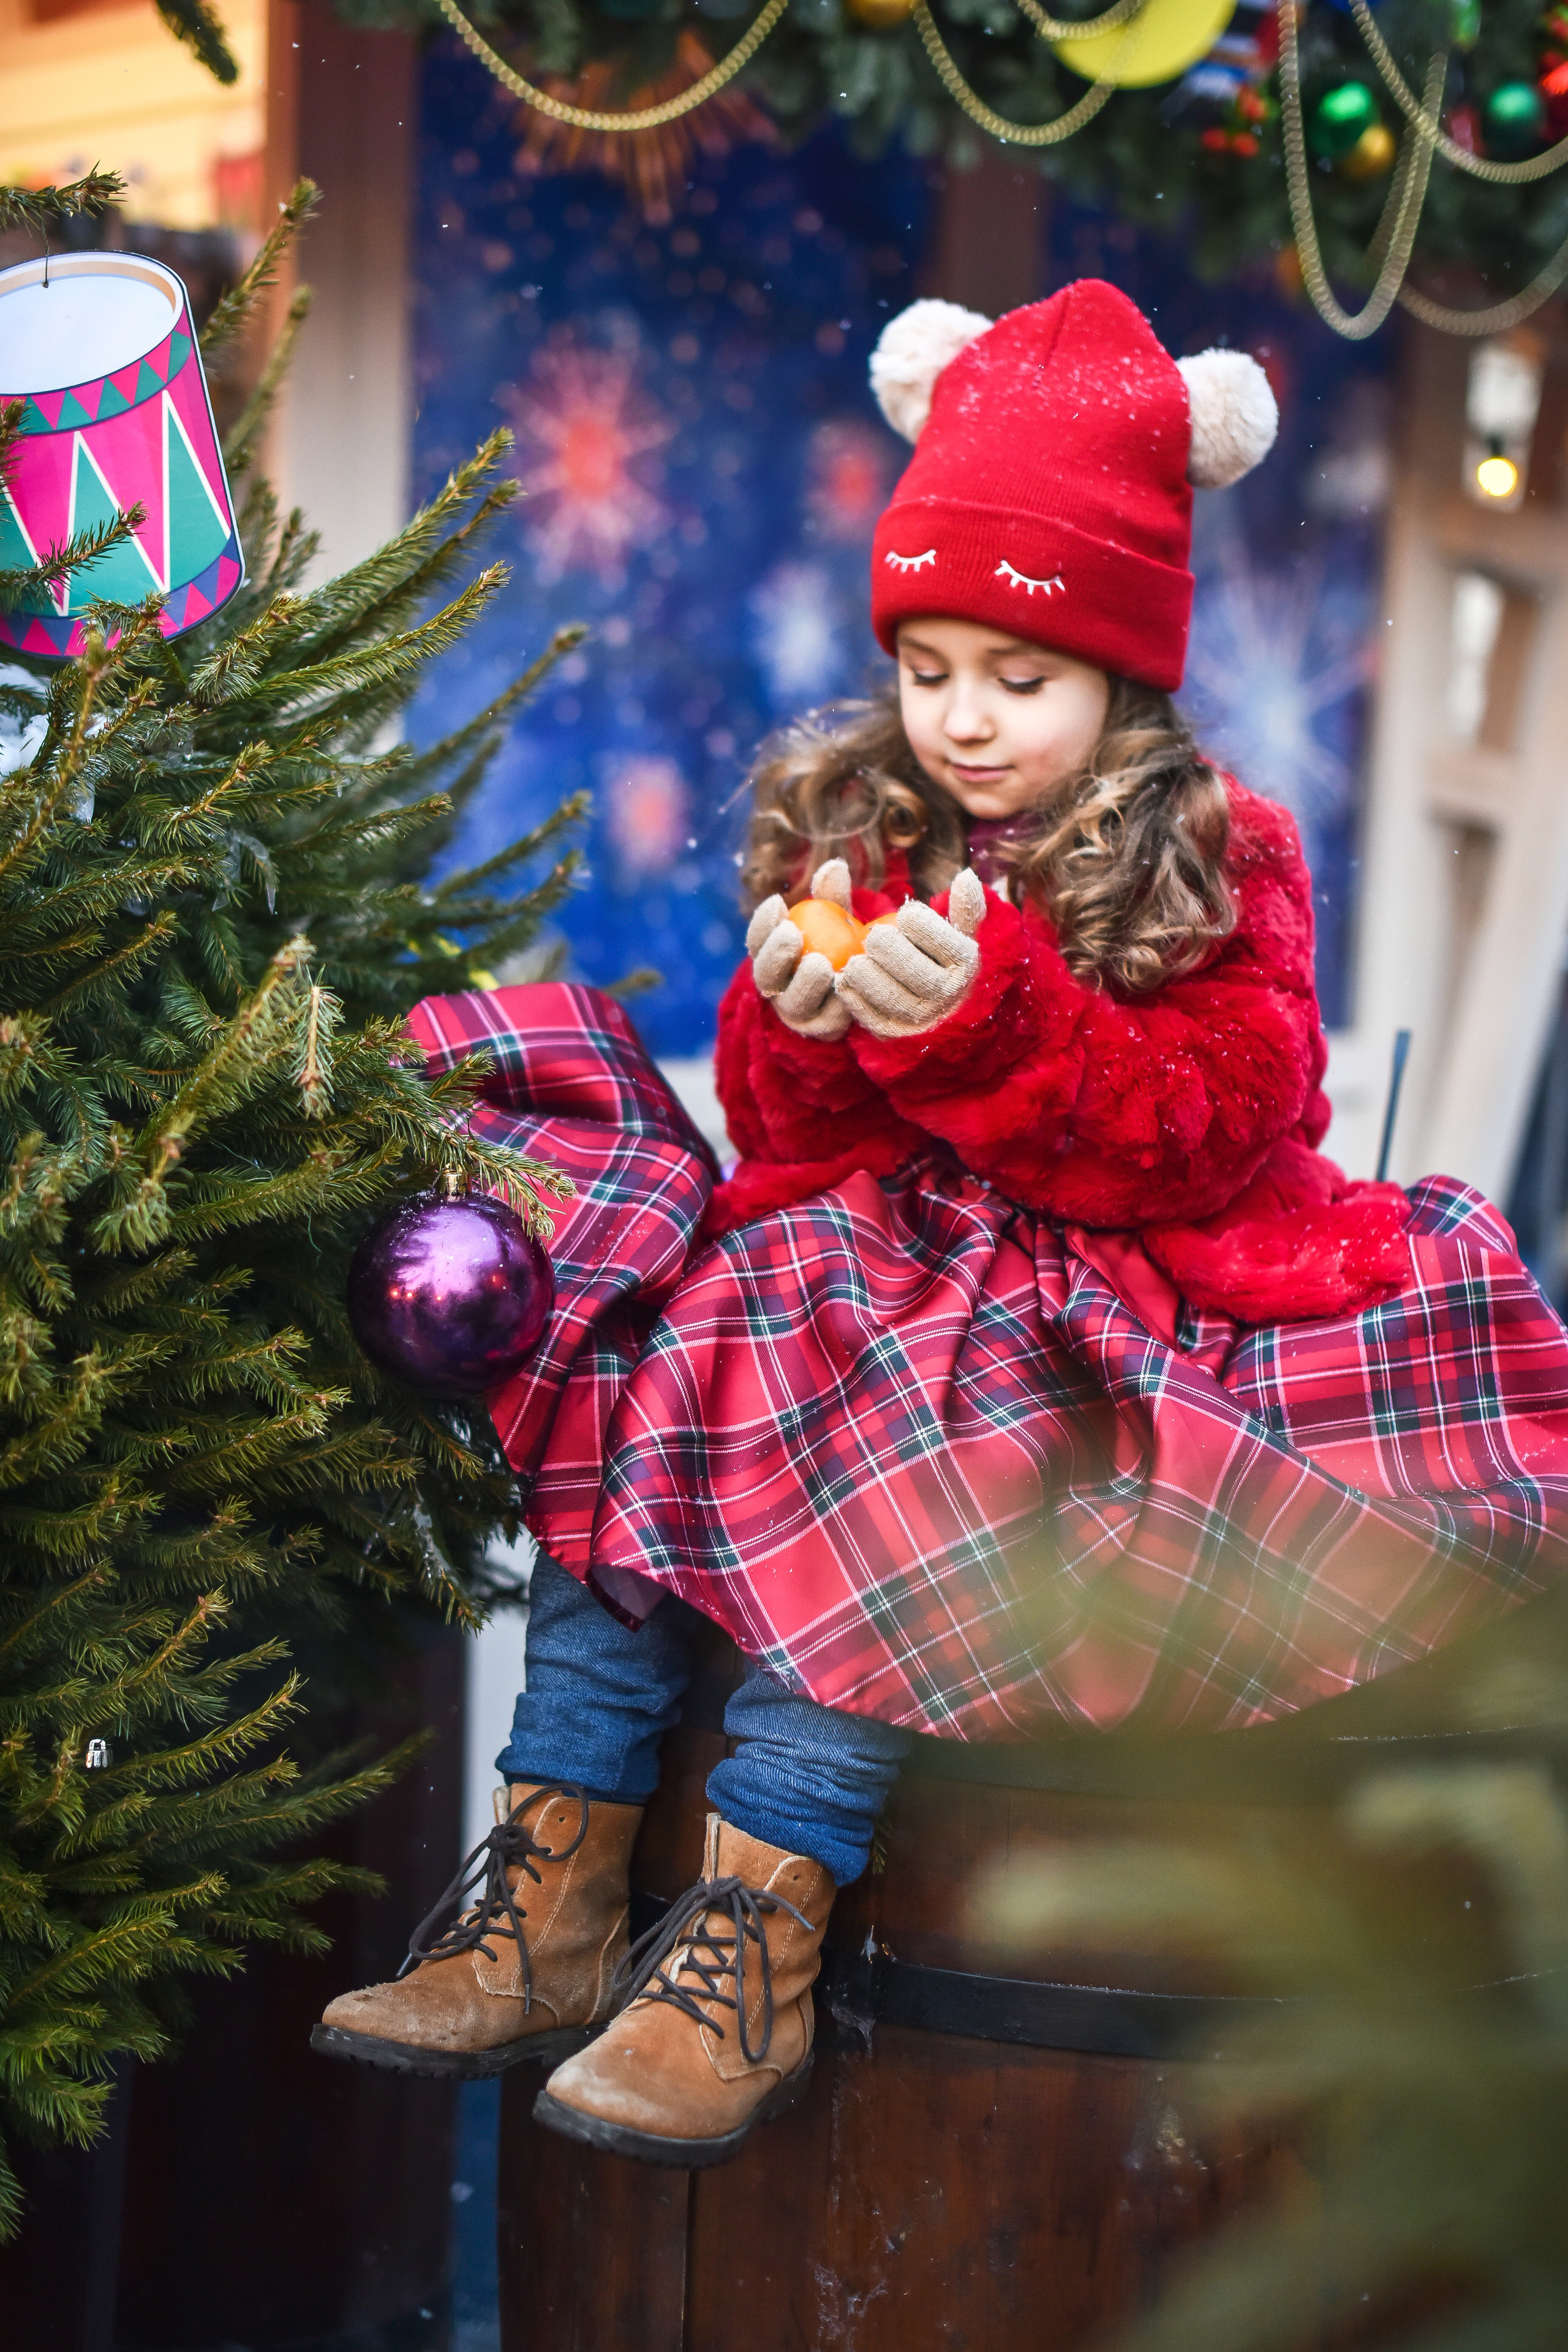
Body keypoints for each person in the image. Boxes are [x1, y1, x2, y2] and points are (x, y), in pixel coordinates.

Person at [313, 281, 1568, 2168]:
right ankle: (554, 1884)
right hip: (856, 1254)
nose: (964, 720)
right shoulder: (864, 818)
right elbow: (790, 1147)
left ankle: (759, 1928)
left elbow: (1220, 1128)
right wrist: (801, 1031)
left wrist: (988, 1026)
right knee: (652, 1390)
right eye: (931, 667)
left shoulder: (1223, 848)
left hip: (1090, 1295)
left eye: (1020, 675)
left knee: (903, 1453)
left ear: (1125, 676)